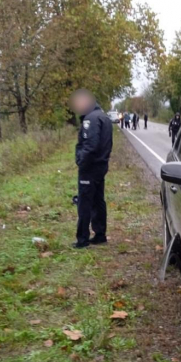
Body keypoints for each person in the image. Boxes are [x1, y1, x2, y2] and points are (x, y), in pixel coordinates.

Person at [70, 89, 113, 249]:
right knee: (97, 200)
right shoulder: (103, 117)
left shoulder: (91, 119)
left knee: (85, 202)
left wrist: (81, 161)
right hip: (101, 166)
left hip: (90, 167)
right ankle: (100, 234)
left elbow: (90, 145)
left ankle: (82, 239)